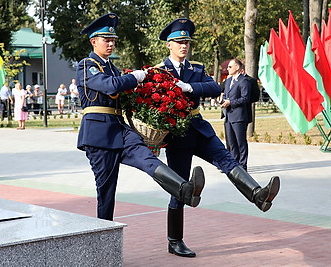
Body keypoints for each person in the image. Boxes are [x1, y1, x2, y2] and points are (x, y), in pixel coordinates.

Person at [156, 18, 280, 258]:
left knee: (228, 160)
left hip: (200, 129)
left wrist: (189, 88)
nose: (184, 46)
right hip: (177, 134)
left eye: (187, 42)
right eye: (180, 42)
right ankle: (175, 240)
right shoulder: (160, 72)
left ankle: (258, 195)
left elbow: (214, 88)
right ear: (169, 45)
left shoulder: (197, 70)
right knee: (179, 187)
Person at [76, 13, 205, 222]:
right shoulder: (86, 65)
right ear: (93, 42)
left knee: (147, 158)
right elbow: (110, 86)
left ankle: (184, 189)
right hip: (98, 135)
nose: (110, 44)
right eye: (106, 40)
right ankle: (105, 238)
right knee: (107, 190)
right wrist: (133, 77)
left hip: (119, 128)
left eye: (113, 40)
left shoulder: (111, 67)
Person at [221, 59, 251, 171]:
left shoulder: (244, 81)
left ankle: (243, 165)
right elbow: (226, 95)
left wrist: (231, 102)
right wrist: (223, 101)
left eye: (230, 67)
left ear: (237, 67)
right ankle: (234, 165)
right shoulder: (228, 81)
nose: (227, 69)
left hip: (239, 117)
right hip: (228, 116)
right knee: (231, 143)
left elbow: (245, 98)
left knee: (240, 142)